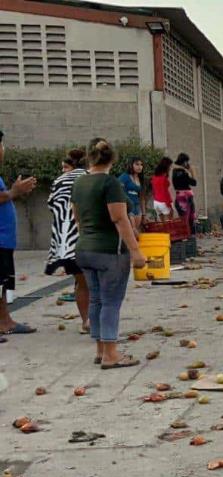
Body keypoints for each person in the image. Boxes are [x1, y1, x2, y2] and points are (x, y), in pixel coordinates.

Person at [72, 138, 147, 368]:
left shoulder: (80, 183)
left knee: (96, 299)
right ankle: (111, 354)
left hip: (84, 249)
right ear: (112, 159)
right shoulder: (110, 183)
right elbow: (119, 218)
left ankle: (100, 349)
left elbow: (77, 219)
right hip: (109, 252)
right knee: (111, 301)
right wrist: (135, 251)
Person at [45, 148, 90, 333]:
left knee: (81, 282)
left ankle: (86, 320)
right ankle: (97, 321)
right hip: (90, 236)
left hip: (67, 241)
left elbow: (51, 204)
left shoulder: (59, 181)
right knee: (96, 282)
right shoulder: (91, 177)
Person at [0, 129, 39, 336]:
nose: (3, 150)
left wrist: (15, 192)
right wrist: (14, 192)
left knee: (3, 284)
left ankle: (5, 321)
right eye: (2, 146)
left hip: (5, 240)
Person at [170, 153, 197, 234]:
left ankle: (186, 236)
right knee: (190, 219)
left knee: (184, 219)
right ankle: (189, 237)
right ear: (184, 162)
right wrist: (192, 172)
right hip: (186, 198)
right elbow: (194, 183)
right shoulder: (184, 173)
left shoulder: (175, 171)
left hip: (179, 197)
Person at [118, 156, 146, 233]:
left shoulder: (140, 178)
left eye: (141, 164)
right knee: (131, 231)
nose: (140, 167)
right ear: (131, 165)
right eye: (137, 164)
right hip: (127, 208)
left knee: (136, 231)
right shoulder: (124, 177)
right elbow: (118, 192)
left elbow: (142, 198)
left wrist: (144, 214)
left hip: (137, 207)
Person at [150, 157, 175, 221]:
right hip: (164, 202)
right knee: (169, 223)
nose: (170, 168)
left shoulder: (154, 178)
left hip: (156, 202)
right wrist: (169, 205)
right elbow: (165, 193)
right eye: (170, 166)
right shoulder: (164, 179)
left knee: (162, 223)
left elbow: (153, 191)